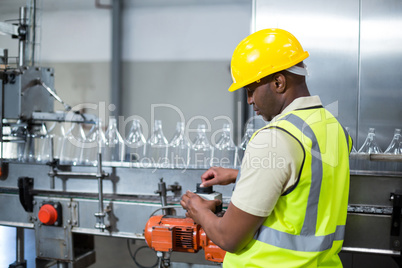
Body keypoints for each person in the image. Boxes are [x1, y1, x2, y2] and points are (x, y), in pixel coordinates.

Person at [180, 28, 352, 267]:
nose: (250, 100)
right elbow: (307, 183)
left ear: (279, 82)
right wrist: (238, 175)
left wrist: (199, 211)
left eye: (251, 90)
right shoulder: (333, 128)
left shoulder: (274, 139)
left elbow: (229, 238)